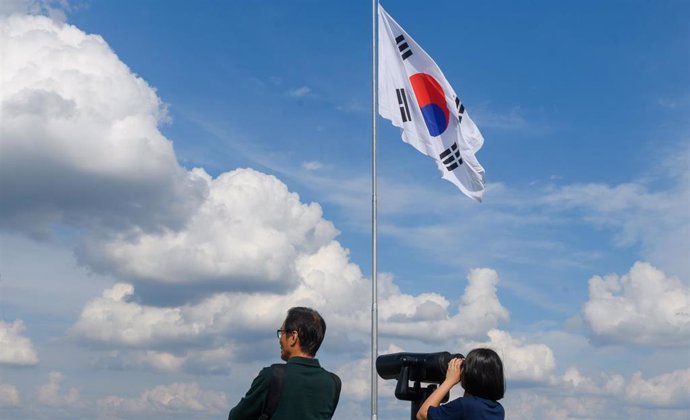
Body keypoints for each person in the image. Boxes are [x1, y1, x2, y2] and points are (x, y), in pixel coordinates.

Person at [228, 307, 341, 420]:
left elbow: (236, 417)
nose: (280, 339)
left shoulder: (272, 376)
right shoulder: (333, 383)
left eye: (281, 332)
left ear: (293, 337)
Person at [417, 348, 505, 420]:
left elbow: (422, 414)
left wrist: (449, 381)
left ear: (472, 374)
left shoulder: (465, 405)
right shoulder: (498, 409)